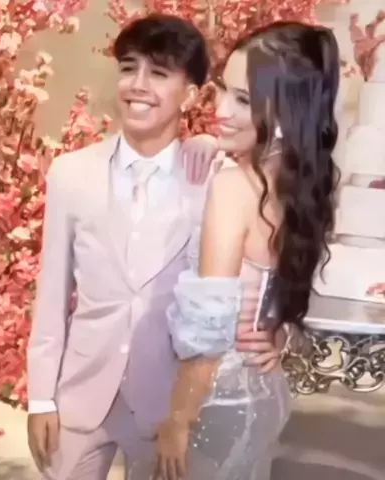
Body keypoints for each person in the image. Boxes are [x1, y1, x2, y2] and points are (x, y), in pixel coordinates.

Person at [27, 14, 295, 480]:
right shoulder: (70, 173)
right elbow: (51, 295)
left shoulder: (216, 177)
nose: (138, 85)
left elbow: (273, 256)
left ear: (190, 95)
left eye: (158, 73)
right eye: (129, 68)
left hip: (168, 403)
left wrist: (279, 331)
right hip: (80, 395)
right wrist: (40, 398)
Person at [156, 20, 340, 480]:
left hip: (212, 400)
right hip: (262, 390)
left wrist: (179, 420)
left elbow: (209, 329)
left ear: (286, 111)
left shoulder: (233, 187)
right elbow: (282, 281)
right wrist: (278, 334)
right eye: (222, 89)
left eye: (243, 99)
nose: (220, 109)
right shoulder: (303, 187)